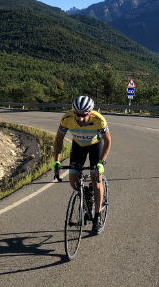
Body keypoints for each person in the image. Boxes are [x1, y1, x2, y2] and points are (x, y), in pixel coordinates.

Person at [53, 95, 111, 234]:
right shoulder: (67, 119)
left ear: (90, 113)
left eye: (84, 115)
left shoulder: (99, 120)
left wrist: (101, 163)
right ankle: (86, 195)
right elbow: (59, 140)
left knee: (96, 180)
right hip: (78, 146)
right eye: (77, 115)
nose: (80, 118)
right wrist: (57, 161)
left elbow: (108, 141)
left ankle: (97, 217)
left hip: (95, 146)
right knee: (73, 180)